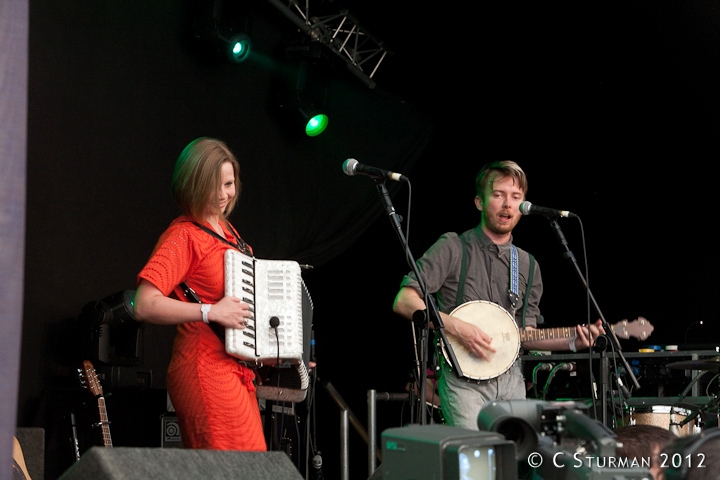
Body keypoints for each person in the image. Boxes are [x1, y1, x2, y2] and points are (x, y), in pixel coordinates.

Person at [392, 160, 604, 430]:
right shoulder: (453, 247)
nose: (507, 204)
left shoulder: (527, 265)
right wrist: (457, 327)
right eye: (498, 194)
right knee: (478, 463)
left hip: (512, 381)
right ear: (480, 202)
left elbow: (524, 336)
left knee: (514, 464)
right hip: (463, 381)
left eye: (516, 197)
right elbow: (404, 301)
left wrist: (574, 340)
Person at [133, 137, 266, 450]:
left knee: (252, 469)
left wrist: (281, 353)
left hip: (236, 371)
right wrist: (210, 311)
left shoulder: (230, 232)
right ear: (192, 184)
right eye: (213, 186)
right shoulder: (183, 236)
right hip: (204, 369)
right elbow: (143, 304)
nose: (223, 195)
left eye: (229, 184)